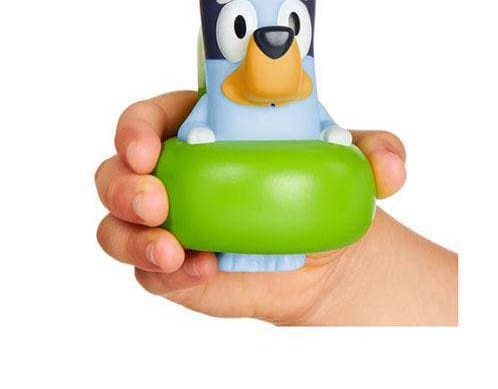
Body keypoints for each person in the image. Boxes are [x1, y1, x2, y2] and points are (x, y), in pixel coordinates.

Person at [95, 91, 458, 326]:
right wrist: (334, 279)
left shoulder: (303, 90)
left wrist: (337, 277)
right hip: (212, 174)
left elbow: (319, 116)